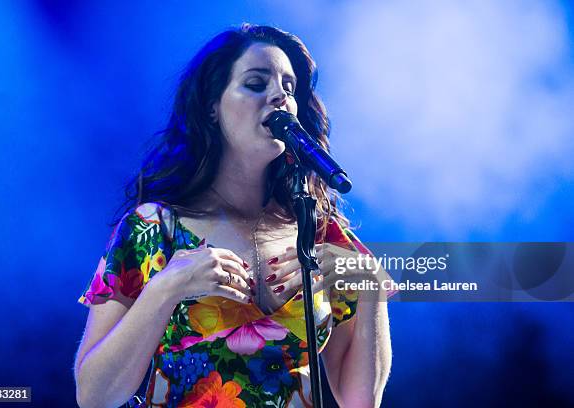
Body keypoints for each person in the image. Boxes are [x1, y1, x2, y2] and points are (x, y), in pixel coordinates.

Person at [74, 24, 395, 408]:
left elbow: (361, 401)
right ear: (212, 105)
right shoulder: (155, 228)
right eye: (256, 83)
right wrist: (165, 288)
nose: (279, 96)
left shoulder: (320, 233)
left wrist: (370, 284)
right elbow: (94, 396)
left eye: (289, 89)